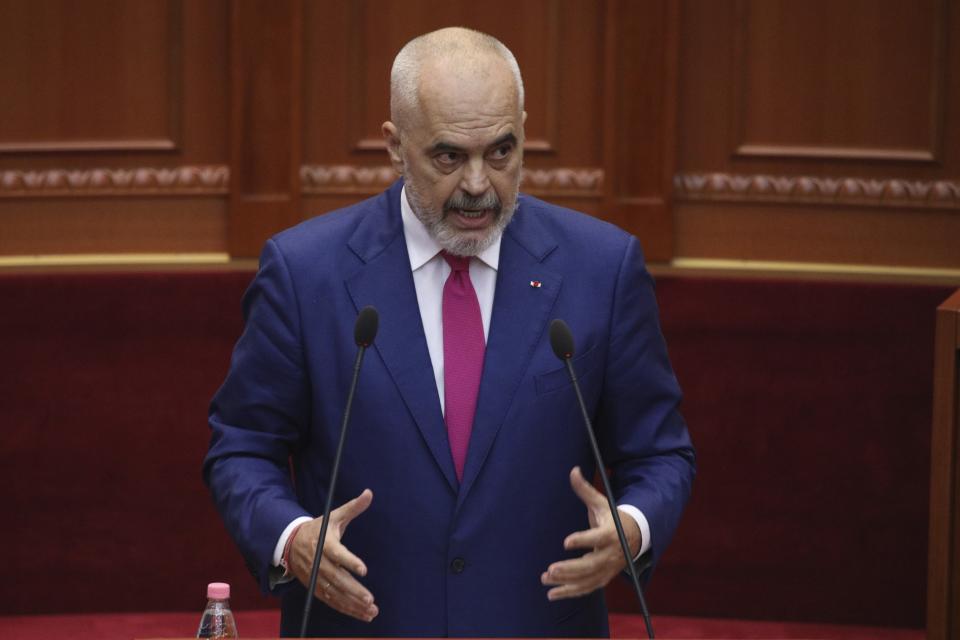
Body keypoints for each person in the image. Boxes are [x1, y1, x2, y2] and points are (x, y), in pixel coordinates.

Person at [204, 27, 695, 638]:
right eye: (448, 156)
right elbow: (242, 445)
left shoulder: (602, 268)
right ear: (394, 145)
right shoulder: (306, 274)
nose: (477, 184)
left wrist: (634, 526)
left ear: (523, 130)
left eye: (501, 151)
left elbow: (659, 451)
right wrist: (291, 536)